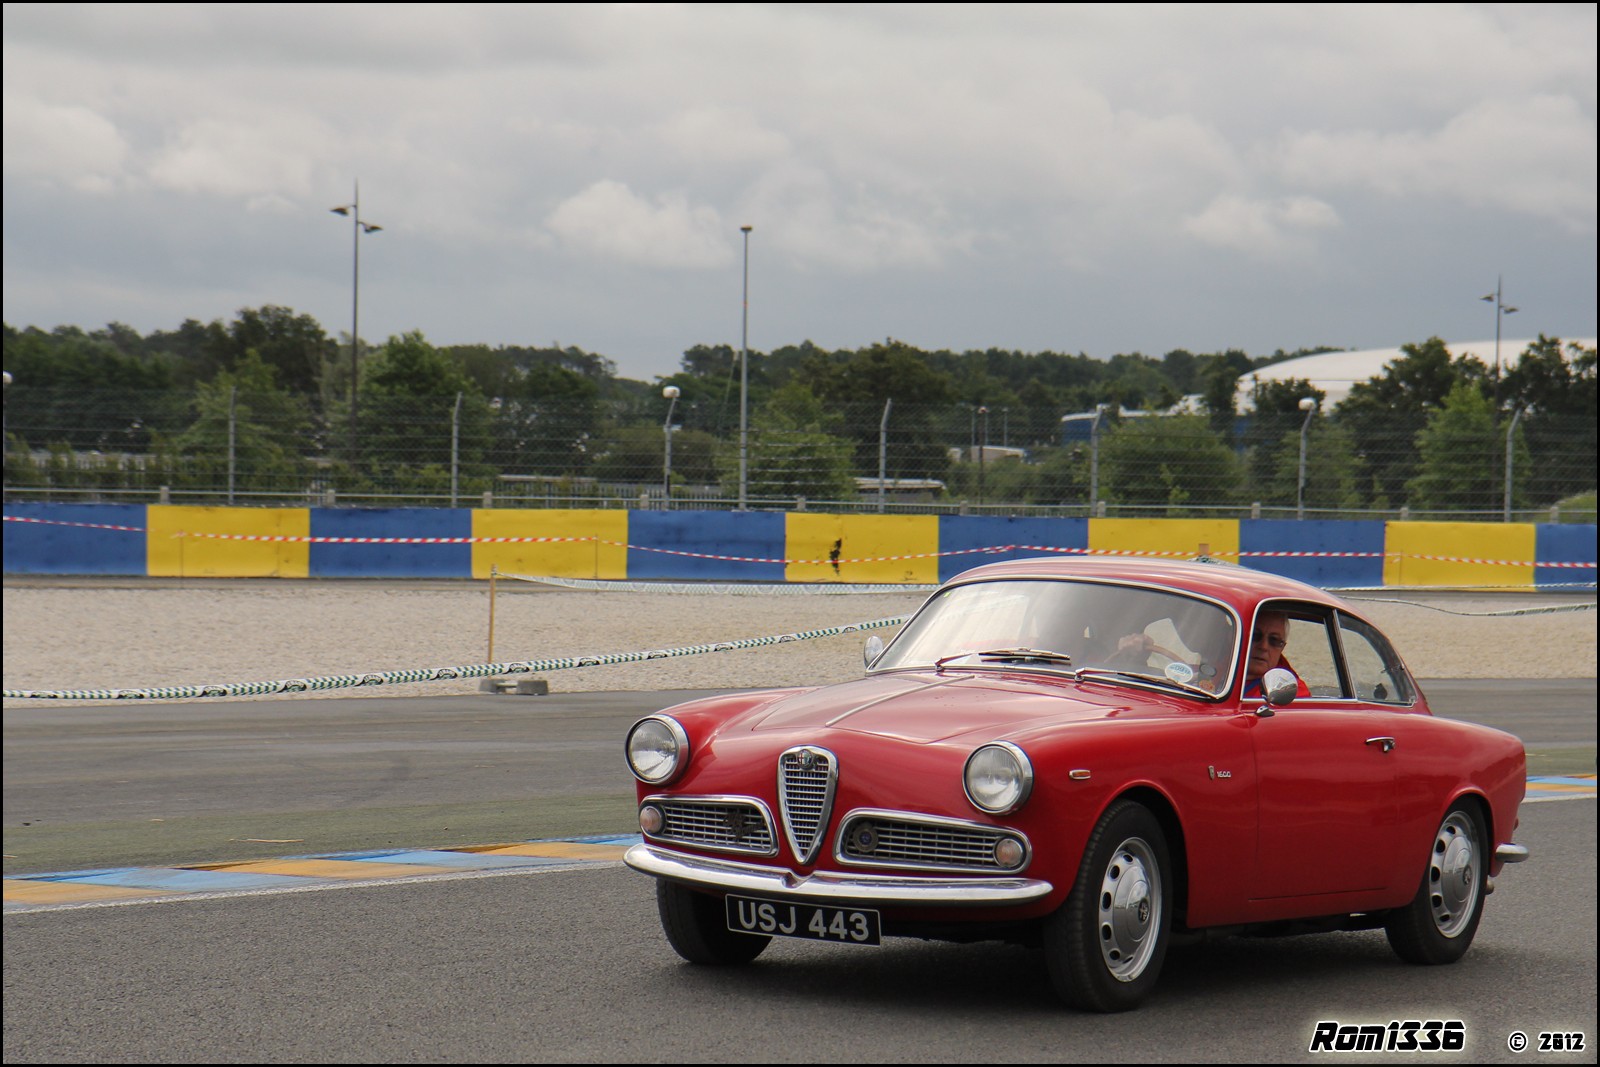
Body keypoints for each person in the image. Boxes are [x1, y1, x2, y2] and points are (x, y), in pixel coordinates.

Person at [1242, 609, 1311, 699]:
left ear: (1282, 648)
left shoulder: (1292, 693)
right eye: (1255, 636)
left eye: (1274, 640)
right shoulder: (1220, 676)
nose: (1263, 646)